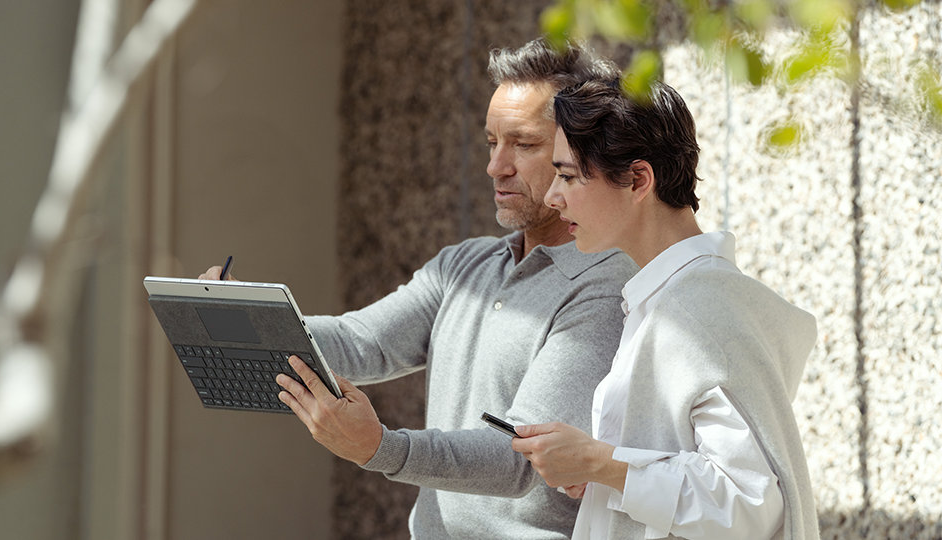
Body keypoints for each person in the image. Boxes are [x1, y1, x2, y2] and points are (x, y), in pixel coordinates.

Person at [201, 39, 638, 538]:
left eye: (523, 143)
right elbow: (361, 341)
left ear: (576, 155)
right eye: (492, 142)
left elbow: (520, 457)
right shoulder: (464, 265)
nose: (497, 166)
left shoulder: (606, 285)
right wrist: (254, 316)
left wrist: (381, 448)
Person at [510, 79, 819, 540]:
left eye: (569, 175)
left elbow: (750, 502)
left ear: (638, 180)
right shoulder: (671, 299)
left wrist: (602, 462)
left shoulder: (699, 309)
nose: (553, 197)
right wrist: (599, 468)